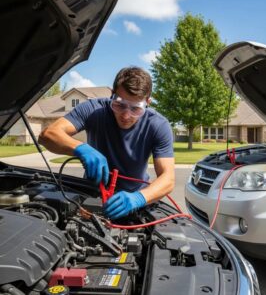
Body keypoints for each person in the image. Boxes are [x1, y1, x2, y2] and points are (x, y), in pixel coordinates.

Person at [39, 67, 175, 220]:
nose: (126, 115)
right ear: (112, 94)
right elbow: (47, 135)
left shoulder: (158, 125)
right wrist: (81, 148)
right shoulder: (93, 109)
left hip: (134, 200)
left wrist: (138, 198)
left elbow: (168, 178)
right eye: (120, 105)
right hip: (91, 197)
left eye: (136, 109)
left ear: (147, 103)